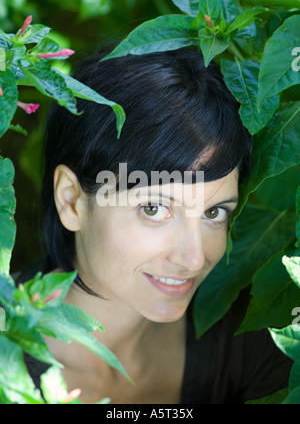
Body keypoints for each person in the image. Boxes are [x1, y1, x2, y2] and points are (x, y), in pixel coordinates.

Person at [18, 46, 292, 404]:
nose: (194, 259)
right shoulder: (11, 366)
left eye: (214, 213)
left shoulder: (252, 338)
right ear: (71, 200)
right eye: (153, 209)